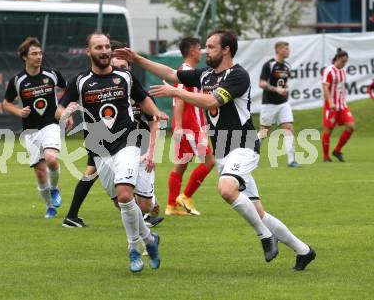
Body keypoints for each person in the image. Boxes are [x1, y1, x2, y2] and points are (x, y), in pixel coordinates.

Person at [114, 29, 316, 270]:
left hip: (244, 147)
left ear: (226, 49)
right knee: (258, 212)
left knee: (226, 188)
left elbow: (212, 101)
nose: (205, 51)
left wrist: (175, 91)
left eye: (210, 47)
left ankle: (265, 237)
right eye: (206, 46)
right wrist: (137, 59)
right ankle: (304, 251)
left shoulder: (238, 75)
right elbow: (170, 73)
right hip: (223, 152)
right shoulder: (206, 75)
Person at [56, 32, 167, 273]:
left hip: (127, 143)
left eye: (107, 46)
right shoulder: (79, 81)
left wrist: (156, 113)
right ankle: (149, 238)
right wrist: (65, 117)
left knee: (126, 195)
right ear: (89, 52)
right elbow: (60, 108)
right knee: (121, 203)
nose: (105, 51)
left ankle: (134, 249)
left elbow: (144, 100)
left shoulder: (125, 77)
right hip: (99, 150)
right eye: (99, 47)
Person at [3, 37, 65, 219]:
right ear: (24, 57)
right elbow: (6, 103)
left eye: (40, 53)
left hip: (50, 125)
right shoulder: (18, 80)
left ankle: (55, 190)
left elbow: (67, 92)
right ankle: (50, 207)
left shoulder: (52, 74)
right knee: (40, 173)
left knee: (51, 159)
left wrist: (64, 112)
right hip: (30, 131)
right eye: (34, 54)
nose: (39, 57)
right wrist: (18, 111)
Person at [166, 37, 215, 216]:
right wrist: (178, 126)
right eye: (200, 48)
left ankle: (171, 206)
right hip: (189, 125)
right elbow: (178, 98)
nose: (202, 51)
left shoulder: (189, 71)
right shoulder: (184, 72)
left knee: (181, 164)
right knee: (210, 162)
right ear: (192, 50)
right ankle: (185, 197)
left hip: (191, 124)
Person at [258, 41, 300, 168]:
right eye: (286, 49)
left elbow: (283, 83)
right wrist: (276, 89)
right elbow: (261, 83)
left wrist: (283, 91)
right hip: (269, 104)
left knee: (288, 128)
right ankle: (251, 157)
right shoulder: (269, 64)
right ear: (279, 50)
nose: (288, 51)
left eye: (288, 48)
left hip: (283, 103)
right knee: (264, 132)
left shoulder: (287, 66)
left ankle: (291, 160)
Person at [321, 48, 354, 162]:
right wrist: (330, 102)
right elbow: (325, 87)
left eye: (346, 61)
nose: (345, 63)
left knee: (351, 127)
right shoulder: (329, 70)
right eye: (343, 61)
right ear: (338, 59)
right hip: (331, 105)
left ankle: (337, 150)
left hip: (342, 105)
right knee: (328, 130)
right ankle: (326, 157)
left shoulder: (343, 71)